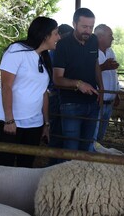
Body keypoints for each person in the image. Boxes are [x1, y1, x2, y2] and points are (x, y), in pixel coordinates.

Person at [0, 16, 60, 167]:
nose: (58, 37)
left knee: (26, 167)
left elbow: (43, 92)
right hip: (9, 123)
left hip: (34, 124)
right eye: (56, 33)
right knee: (4, 168)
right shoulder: (16, 51)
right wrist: (9, 120)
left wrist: (45, 124)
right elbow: (6, 86)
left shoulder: (44, 57)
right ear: (45, 35)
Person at [53, 7, 103, 154]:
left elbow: (96, 64)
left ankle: (82, 177)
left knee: (87, 146)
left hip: (92, 103)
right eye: (84, 26)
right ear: (74, 24)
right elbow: (57, 79)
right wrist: (78, 83)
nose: (88, 31)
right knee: (71, 148)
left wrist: (102, 88)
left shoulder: (93, 40)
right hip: (71, 103)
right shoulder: (63, 45)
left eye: (91, 27)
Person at [47, 24, 74, 166]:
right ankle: (53, 164)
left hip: (63, 96)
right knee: (57, 131)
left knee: (64, 131)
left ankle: (58, 162)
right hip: (56, 96)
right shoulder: (55, 52)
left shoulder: (61, 51)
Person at [93, 24, 120, 141]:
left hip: (109, 102)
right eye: (110, 36)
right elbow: (86, 72)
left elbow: (114, 74)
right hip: (97, 102)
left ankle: (97, 154)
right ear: (100, 37)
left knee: (101, 135)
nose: (113, 38)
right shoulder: (91, 52)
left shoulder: (110, 51)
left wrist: (116, 93)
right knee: (92, 134)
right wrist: (103, 66)